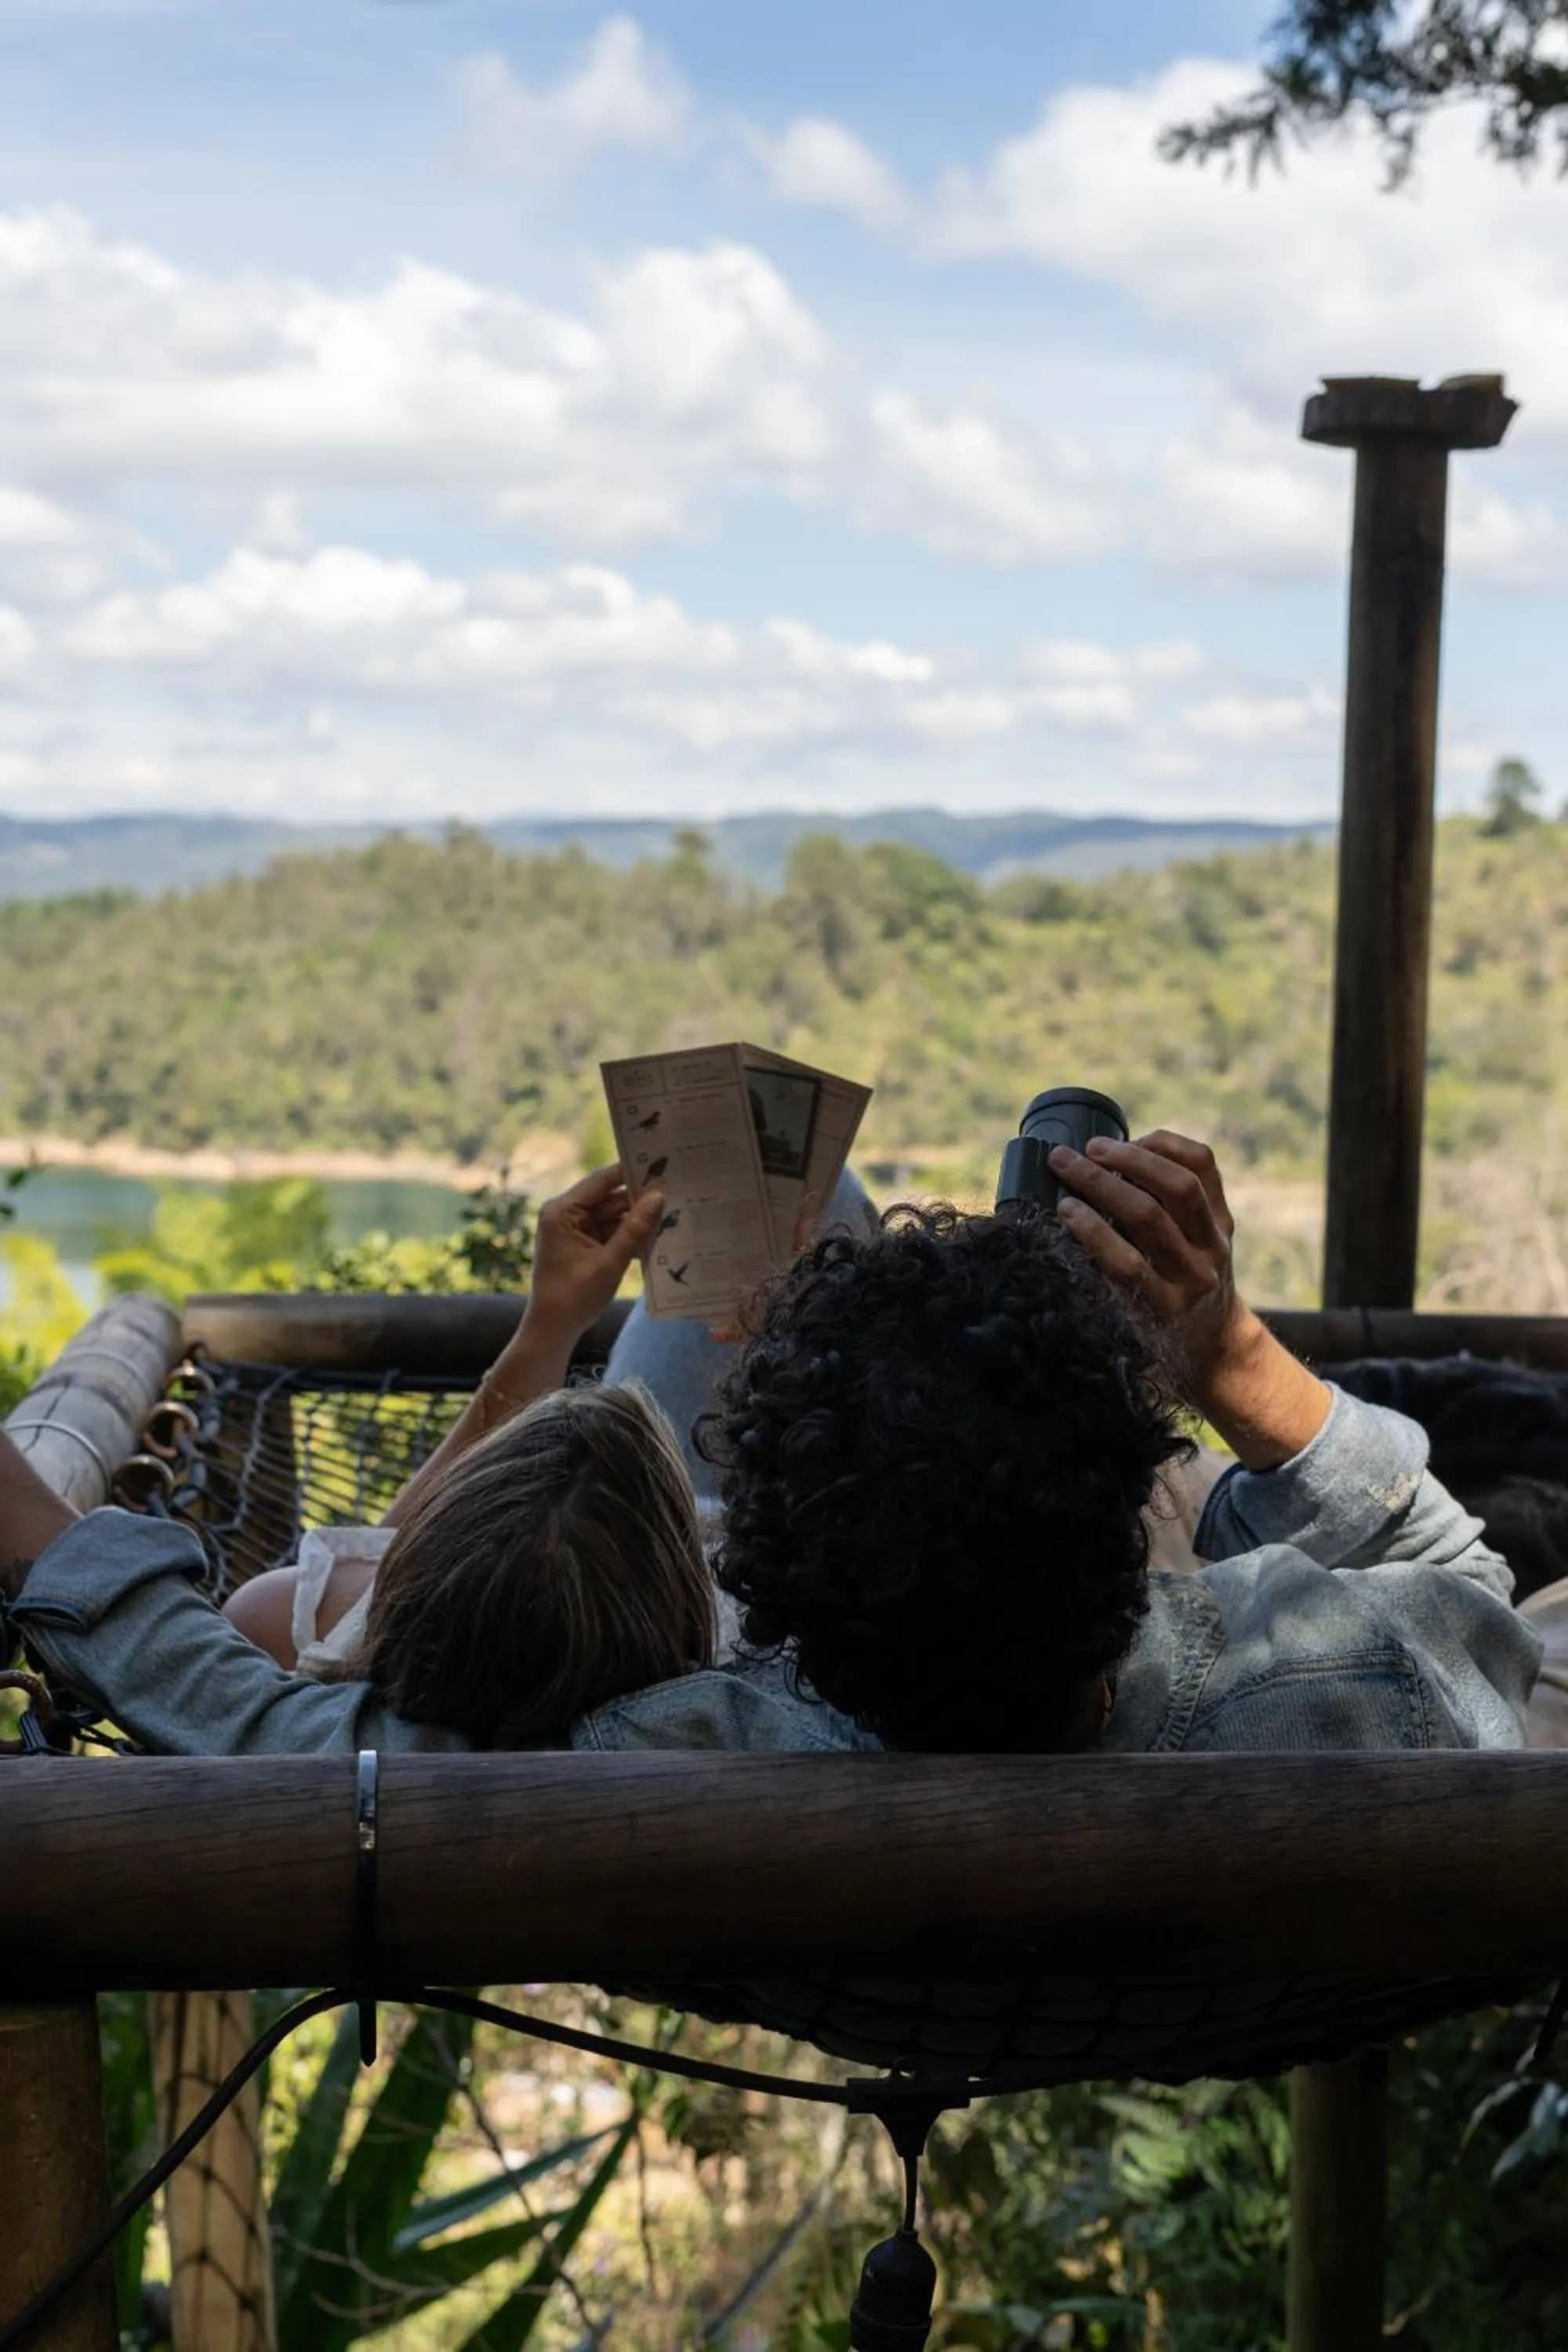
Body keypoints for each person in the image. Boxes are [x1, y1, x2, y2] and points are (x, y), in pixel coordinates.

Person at [0, 1128, 1541, 1759]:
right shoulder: (1343, 1672)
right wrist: (1229, 1361)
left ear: (755, 1565)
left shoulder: (685, 1737)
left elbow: (278, 1736)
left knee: (783, 1172)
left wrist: (57, 1543)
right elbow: (1461, 1597)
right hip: (1134, 1639)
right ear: (1136, 1516)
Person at [219, 1168, 714, 1749]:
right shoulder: (752, 1670)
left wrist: (548, 1324)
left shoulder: (282, 1635)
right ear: (693, 1594)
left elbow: (386, 1584)